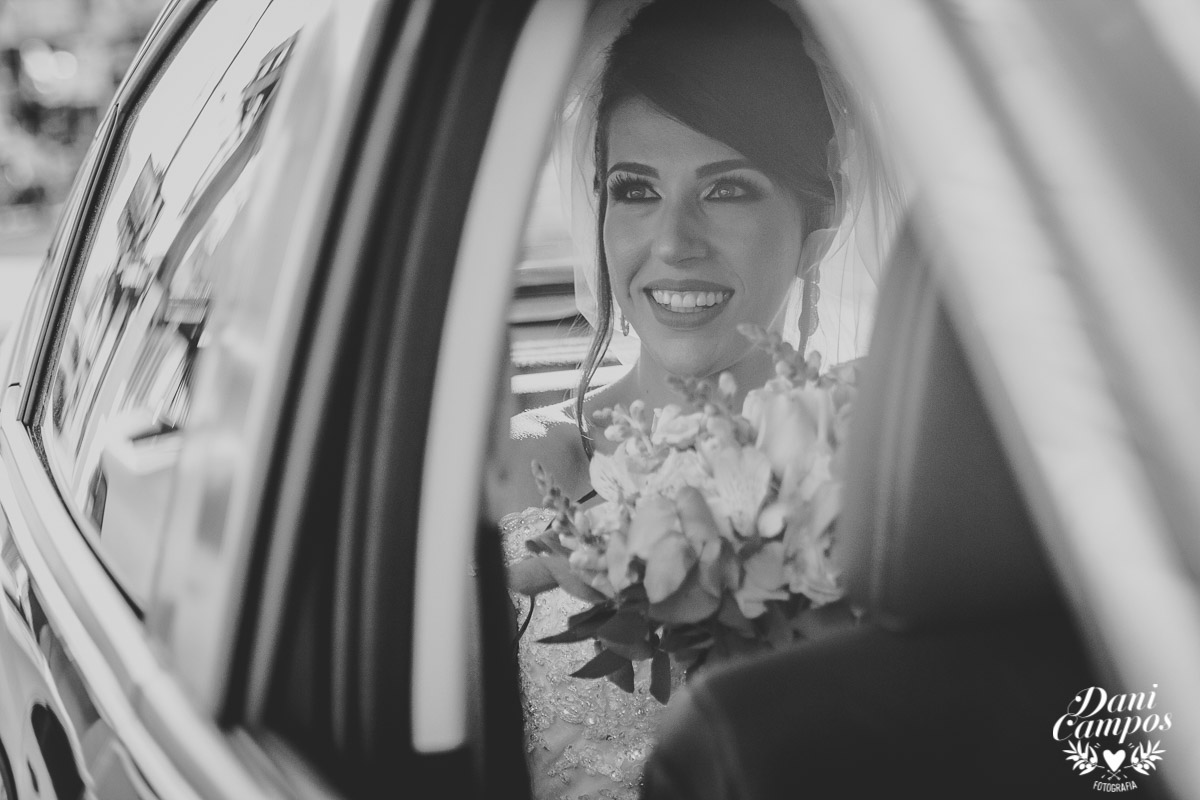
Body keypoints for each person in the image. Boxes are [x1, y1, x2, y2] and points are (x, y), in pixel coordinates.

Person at [498, 0, 901, 797]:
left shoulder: (882, 481)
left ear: (820, 215)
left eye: (727, 190)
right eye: (636, 188)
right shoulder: (517, 471)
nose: (675, 242)